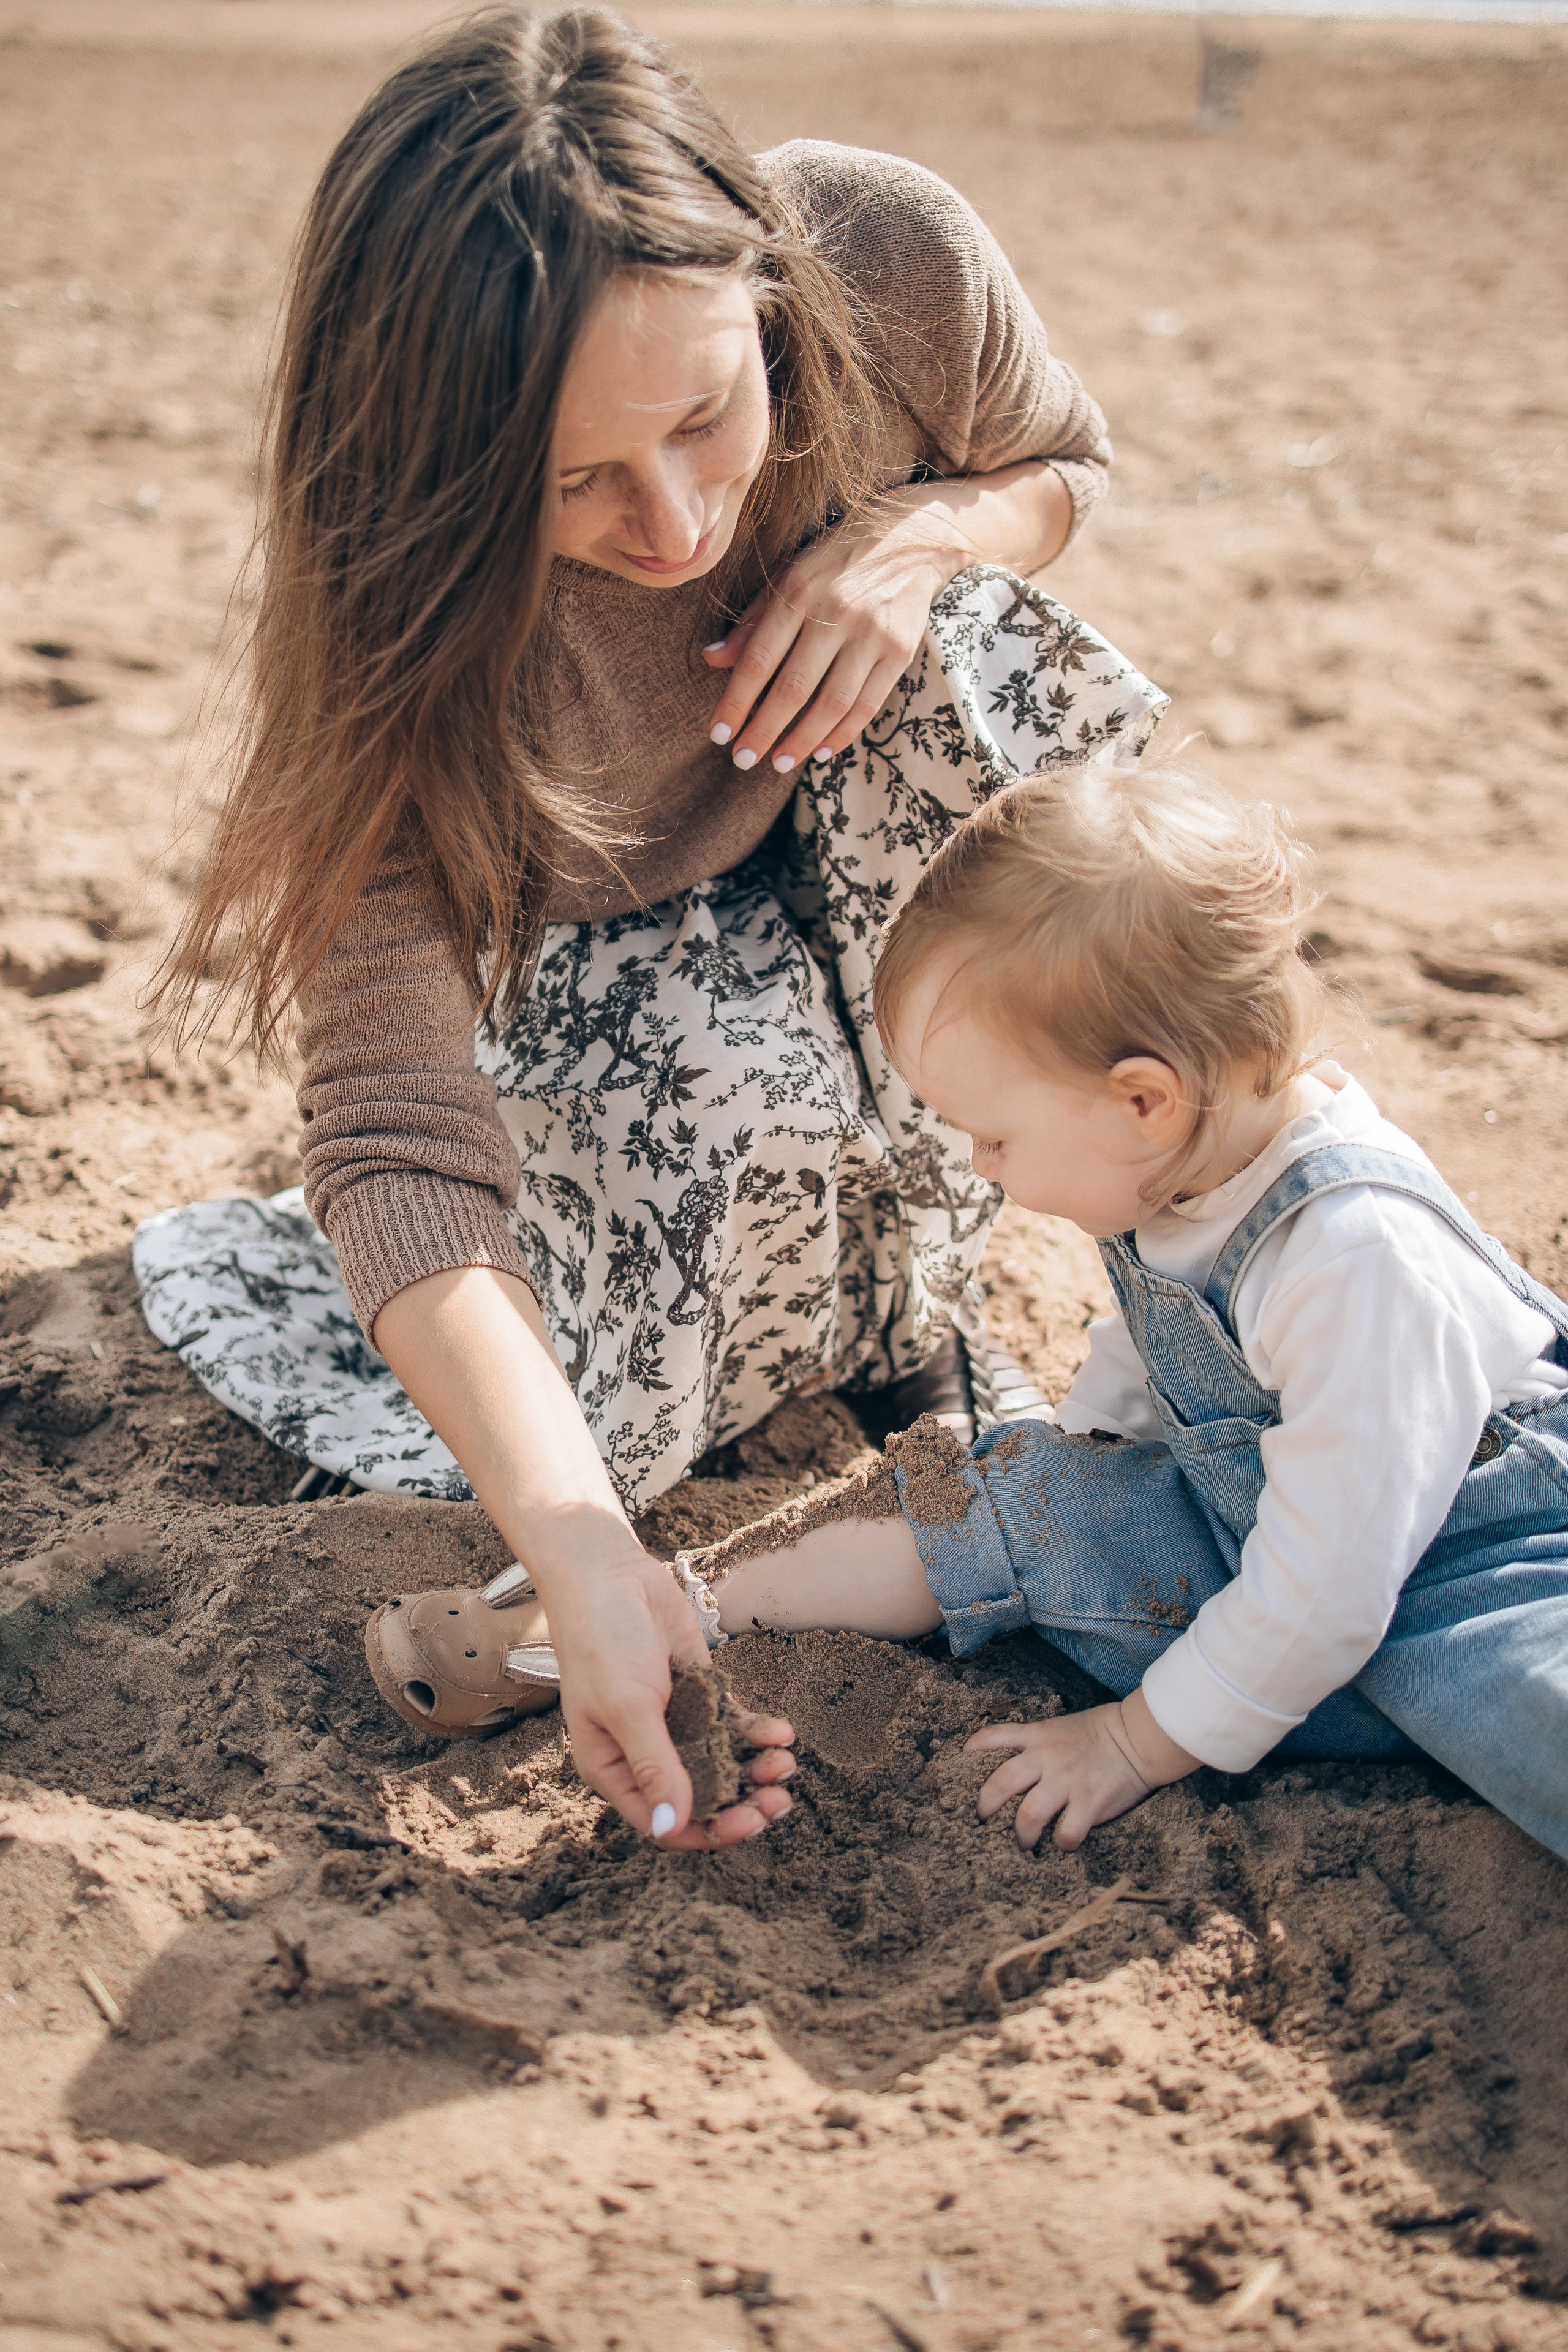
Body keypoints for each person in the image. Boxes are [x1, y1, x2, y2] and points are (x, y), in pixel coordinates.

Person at [134, 5, 1163, 1852]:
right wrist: (585, 1549)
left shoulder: (886, 252)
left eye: (709, 418)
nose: (681, 518)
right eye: (574, 482)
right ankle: (841, 1317)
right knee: (722, 1131)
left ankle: (940, 1295)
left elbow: (1065, 466)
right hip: (616, 971)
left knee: (1015, 681)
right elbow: (391, 1123)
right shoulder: (390, 621)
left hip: (868, 831)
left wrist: (923, 547)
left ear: (768, 289)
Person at [644, 752, 1567, 1862]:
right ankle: (693, 1610)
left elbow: (1329, 1589)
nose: (979, 1164)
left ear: (1143, 1099)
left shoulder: (1357, 1260)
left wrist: (1135, 1743)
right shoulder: (1174, 1162)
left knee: (1536, 1719)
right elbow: (1150, 1358)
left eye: (995, 1135)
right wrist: (1075, 1460)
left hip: (1483, 1575)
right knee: (1015, 1492)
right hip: (1268, 1530)